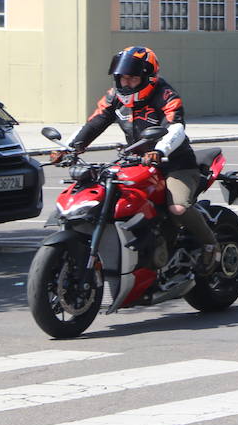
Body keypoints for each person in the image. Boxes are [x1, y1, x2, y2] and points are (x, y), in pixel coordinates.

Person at [53, 46, 220, 269]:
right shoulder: (115, 97)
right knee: (112, 198)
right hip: (135, 161)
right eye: (123, 78)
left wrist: (159, 151)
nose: (126, 83)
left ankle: (211, 245)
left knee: (177, 208)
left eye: (132, 78)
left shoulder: (166, 95)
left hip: (175, 164)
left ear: (148, 78)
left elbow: (175, 128)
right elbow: (95, 122)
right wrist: (70, 148)